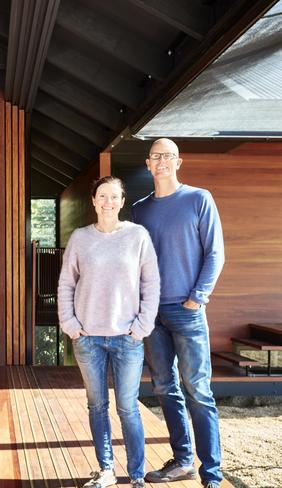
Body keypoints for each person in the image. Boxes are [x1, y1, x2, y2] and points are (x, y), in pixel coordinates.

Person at [132, 138, 225, 488]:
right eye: (156, 157)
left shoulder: (199, 199)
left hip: (187, 310)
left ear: (178, 162)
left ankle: (211, 475)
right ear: (148, 163)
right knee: (164, 387)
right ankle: (183, 461)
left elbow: (215, 253)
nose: (162, 162)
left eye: (168, 156)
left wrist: (198, 297)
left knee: (197, 390)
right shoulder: (140, 210)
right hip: (152, 313)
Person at [58, 176, 160, 488]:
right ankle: (106, 471)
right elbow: (66, 284)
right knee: (97, 405)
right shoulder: (80, 238)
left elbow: (150, 283)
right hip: (88, 338)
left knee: (128, 407)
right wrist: (71, 325)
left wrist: (142, 326)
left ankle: (137, 474)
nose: (108, 202)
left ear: (122, 201)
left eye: (114, 196)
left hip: (127, 338)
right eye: (102, 196)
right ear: (93, 200)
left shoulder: (137, 236)